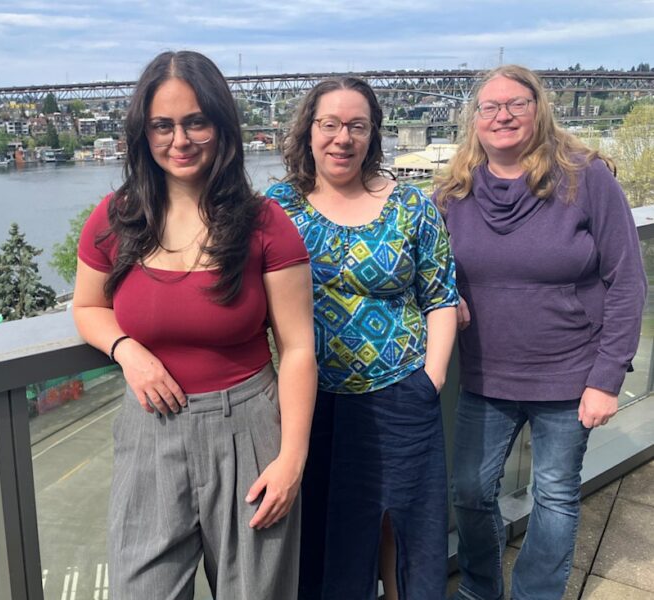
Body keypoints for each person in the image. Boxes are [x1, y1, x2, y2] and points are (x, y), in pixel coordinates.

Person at [72, 50, 317, 600]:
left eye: (195, 122)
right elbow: (87, 307)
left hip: (248, 430)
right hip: (148, 432)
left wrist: (291, 460)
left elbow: (298, 348)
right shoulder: (116, 218)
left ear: (221, 126)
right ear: (143, 133)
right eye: (162, 125)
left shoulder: (265, 223)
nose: (179, 140)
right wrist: (126, 350)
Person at [435, 65, 646, 600]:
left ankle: (535, 594)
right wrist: (448, 294)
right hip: (485, 374)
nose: (502, 115)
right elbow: (429, 266)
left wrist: (606, 377)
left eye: (517, 104)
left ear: (539, 111)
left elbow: (627, 281)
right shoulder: (454, 190)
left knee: (554, 494)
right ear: (474, 119)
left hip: (571, 374)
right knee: (469, 492)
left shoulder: (585, 178)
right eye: (490, 106)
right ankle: (480, 588)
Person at [266, 76, 459, 599]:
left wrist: (432, 379)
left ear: (373, 135)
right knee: (323, 529)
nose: (342, 138)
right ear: (308, 131)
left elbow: (441, 296)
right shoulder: (278, 207)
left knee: (404, 526)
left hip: (401, 393)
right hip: (311, 400)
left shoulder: (411, 206)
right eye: (329, 124)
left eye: (357, 126)